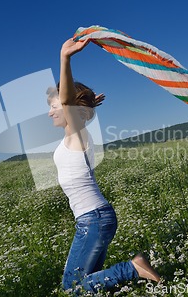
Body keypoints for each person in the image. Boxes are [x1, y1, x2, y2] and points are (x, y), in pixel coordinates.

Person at [47, 37, 161, 294]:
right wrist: (89, 102)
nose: (50, 112)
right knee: (88, 282)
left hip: (93, 218)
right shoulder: (75, 133)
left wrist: (65, 58)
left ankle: (134, 268)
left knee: (72, 288)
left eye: (54, 106)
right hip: (93, 218)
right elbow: (70, 104)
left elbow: (67, 101)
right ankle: (132, 271)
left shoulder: (77, 133)